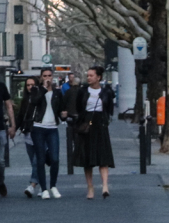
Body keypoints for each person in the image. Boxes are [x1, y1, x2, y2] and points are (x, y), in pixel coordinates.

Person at [73, 65, 115, 199]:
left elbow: (109, 108)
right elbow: (79, 107)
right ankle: (90, 187)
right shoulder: (83, 91)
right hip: (87, 123)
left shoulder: (106, 92)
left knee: (103, 156)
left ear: (99, 77)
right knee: (87, 158)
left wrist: (105, 120)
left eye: (91, 75)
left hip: (101, 123)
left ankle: (105, 185)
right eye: (88, 75)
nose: (89, 78)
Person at [30, 67, 66, 199]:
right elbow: (34, 102)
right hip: (38, 127)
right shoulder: (36, 90)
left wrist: (63, 115)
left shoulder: (57, 92)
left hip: (52, 128)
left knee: (55, 158)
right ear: (41, 78)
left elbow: (61, 109)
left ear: (53, 77)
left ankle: (53, 186)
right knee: (40, 159)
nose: (47, 78)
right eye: (44, 76)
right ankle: (44, 189)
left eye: (49, 75)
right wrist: (44, 89)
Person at [0, 67, 16, 197]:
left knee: (0, 161)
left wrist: (12, 125)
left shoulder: (0, 86)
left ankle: (0, 181)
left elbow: (8, 105)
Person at [18, 75, 40, 197]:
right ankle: (43, 185)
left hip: (40, 132)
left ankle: (32, 185)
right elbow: (21, 116)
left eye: (32, 85)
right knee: (34, 162)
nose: (30, 87)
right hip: (28, 133)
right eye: (28, 85)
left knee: (37, 160)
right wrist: (13, 129)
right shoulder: (25, 100)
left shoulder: (41, 98)